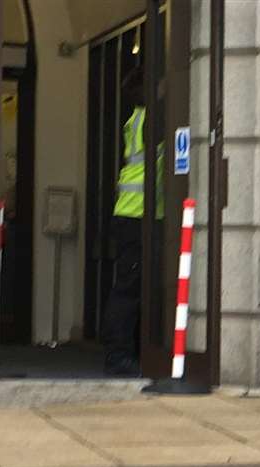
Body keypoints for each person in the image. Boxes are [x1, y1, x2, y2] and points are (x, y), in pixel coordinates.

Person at [102, 70, 149, 377]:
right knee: (128, 289)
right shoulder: (148, 121)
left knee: (131, 288)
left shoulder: (135, 120)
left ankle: (126, 352)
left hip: (135, 214)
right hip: (136, 215)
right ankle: (119, 356)